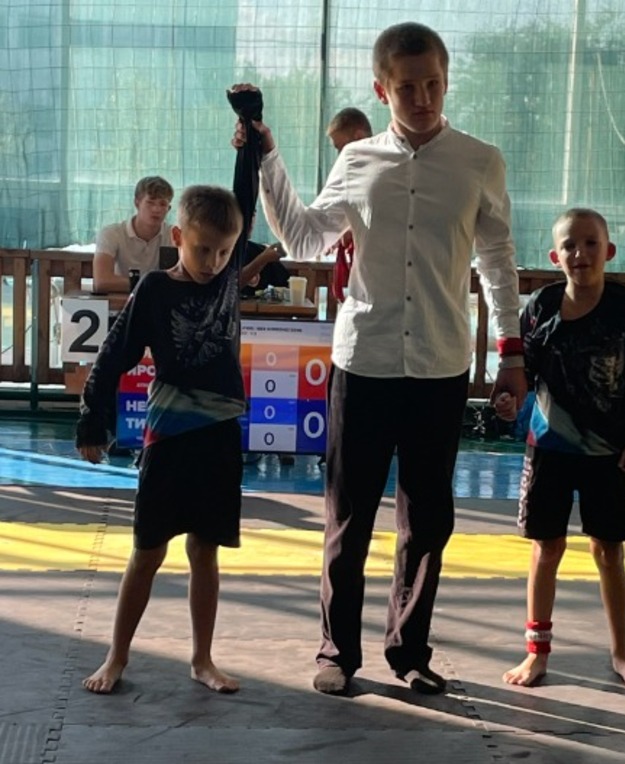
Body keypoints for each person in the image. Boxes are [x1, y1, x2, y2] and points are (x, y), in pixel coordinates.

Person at [230, 20, 528, 697]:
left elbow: (497, 261)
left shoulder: (480, 161)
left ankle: (410, 650)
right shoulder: (358, 159)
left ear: (446, 82)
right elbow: (305, 237)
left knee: (428, 522)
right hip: (362, 359)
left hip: (440, 363)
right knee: (348, 516)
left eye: (433, 85)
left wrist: (511, 351)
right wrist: (268, 158)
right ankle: (337, 651)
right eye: (407, 88)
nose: (422, 99)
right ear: (381, 89)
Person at [76, 185, 246, 695]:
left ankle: (202, 659)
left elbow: (247, 196)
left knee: (204, 551)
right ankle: (116, 656)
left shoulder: (228, 279)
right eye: (202, 250)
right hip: (168, 436)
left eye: (224, 252)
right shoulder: (154, 289)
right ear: (178, 237)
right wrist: (92, 421)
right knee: (147, 552)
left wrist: (252, 144)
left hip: (218, 436)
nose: (213, 263)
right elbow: (113, 355)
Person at [496, 207, 625, 690]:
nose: (580, 253)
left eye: (590, 244)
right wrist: (507, 399)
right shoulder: (541, 306)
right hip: (549, 445)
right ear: (555, 256)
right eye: (569, 245)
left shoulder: (624, 306)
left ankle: (621, 652)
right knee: (547, 547)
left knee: (608, 550)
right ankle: (536, 652)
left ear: (609, 251)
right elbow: (523, 370)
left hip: (607, 448)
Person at [324, 108, 373, 302]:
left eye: (341, 148)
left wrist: (351, 227)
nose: (339, 156)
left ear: (359, 137)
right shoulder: (350, 172)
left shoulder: (383, 171)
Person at [93, 176, 175, 293]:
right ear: (137, 203)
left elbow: (177, 281)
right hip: (121, 300)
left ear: (169, 208)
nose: (156, 209)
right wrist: (151, 285)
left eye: (162, 204)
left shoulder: (174, 235)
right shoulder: (111, 234)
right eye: (150, 203)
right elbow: (101, 282)